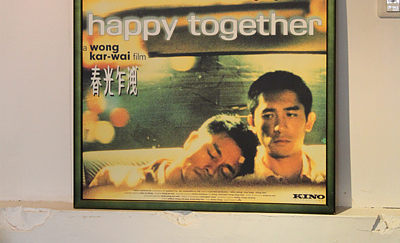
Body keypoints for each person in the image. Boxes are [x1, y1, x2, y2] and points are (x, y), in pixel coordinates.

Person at [89, 114, 259, 190]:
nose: (212, 170)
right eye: (212, 155)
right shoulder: (113, 179)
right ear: (191, 141)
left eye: (224, 172)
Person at [244, 70, 325, 184]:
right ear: (252, 123)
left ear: (309, 121)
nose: (279, 128)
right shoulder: (238, 182)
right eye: (269, 116)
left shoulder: (332, 171)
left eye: (291, 114)